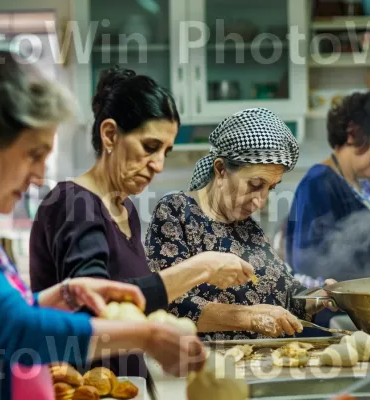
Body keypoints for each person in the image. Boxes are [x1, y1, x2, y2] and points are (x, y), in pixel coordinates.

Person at [0, 52, 206, 400]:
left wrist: (62, 295)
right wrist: (145, 336)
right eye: (33, 154)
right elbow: (11, 329)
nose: (40, 175)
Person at [28, 66, 254, 393]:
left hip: (125, 388)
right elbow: (97, 309)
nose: (158, 165)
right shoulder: (72, 203)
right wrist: (202, 266)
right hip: (86, 391)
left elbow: (134, 301)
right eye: (149, 147)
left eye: (165, 151)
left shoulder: (125, 209)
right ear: (109, 135)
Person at [144, 108, 335, 341]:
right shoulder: (175, 213)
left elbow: (286, 297)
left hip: (260, 366)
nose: (261, 200)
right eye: (255, 184)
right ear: (221, 169)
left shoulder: (247, 227)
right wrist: (249, 317)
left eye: (270, 188)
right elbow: (167, 305)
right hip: (203, 368)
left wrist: (319, 298)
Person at [285, 88, 370, 288]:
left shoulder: (364, 182)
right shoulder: (318, 182)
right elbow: (307, 259)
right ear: (353, 133)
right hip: (332, 311)